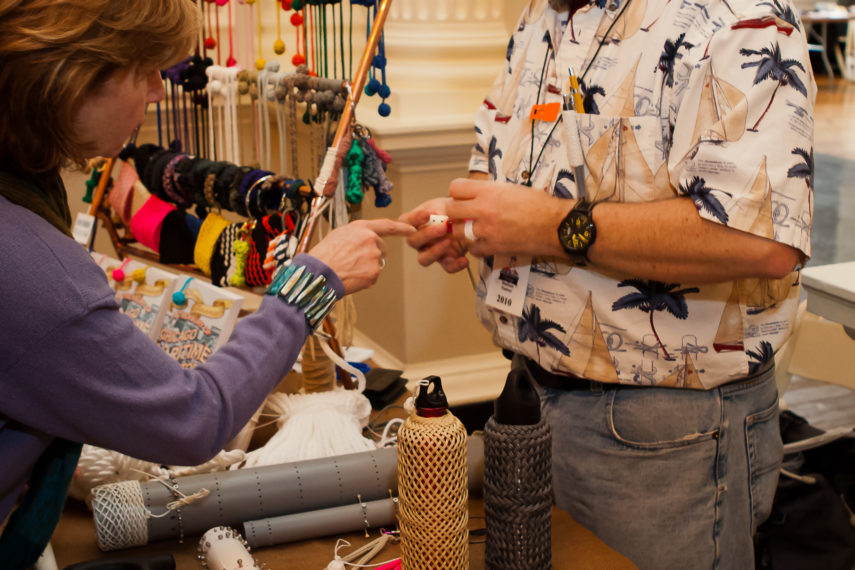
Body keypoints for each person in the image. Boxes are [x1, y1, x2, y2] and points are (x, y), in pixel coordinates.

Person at [400, 0, 815, 567]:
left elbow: (761, 241)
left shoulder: (736, 15)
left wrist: (544, 225)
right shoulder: (540, 17)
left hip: (662, 436)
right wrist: (474, 222)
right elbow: (508, 157)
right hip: (530, 400)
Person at [0, 0, 413, 566]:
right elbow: (194, 419)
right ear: (71, 76)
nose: (157, 91)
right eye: (143, 69)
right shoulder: (33, 269)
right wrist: (312, 283)